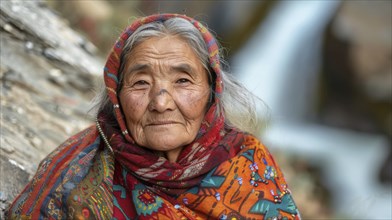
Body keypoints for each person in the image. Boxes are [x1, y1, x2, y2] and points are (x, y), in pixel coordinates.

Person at [7, 14, 300, 219]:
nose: (160, 102)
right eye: (140, 83)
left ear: (211, 92)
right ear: (116, 96)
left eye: (183, 81)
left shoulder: (250, 165)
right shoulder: (75, 176)